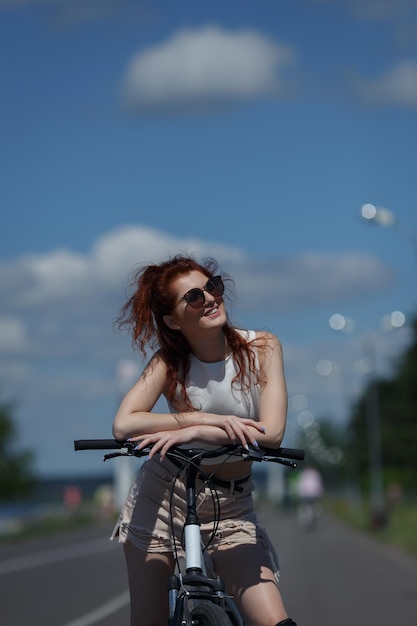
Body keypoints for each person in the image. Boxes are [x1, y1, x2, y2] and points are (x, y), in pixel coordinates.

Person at [111, 255, 297, 626]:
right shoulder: (168, 362)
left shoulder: (262, 347)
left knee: (275, 620)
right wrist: (204, 418)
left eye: (212, 286)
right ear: (172, 320)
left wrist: (192, 432)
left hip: (231, 504)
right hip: (163, 498)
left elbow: (272, 434)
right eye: (194, 296)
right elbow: (124, 424)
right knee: (148, 620)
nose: (210, 298)